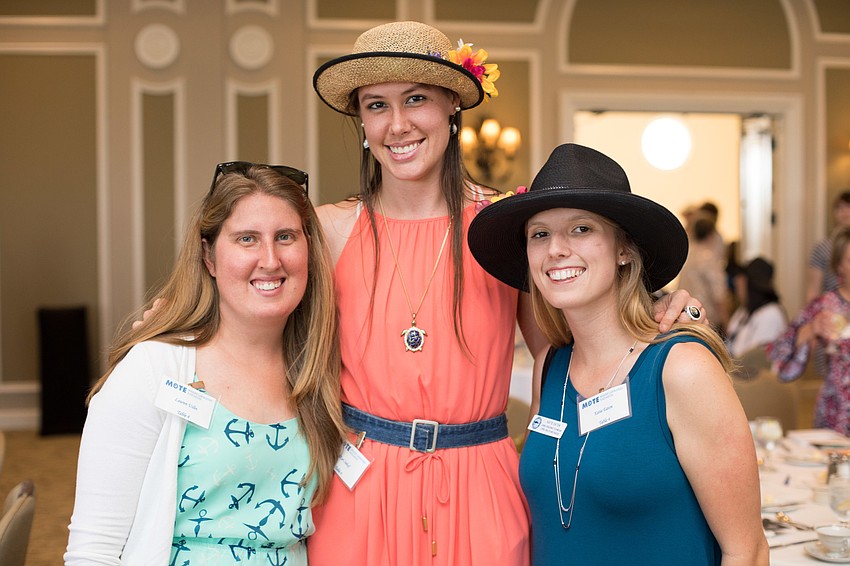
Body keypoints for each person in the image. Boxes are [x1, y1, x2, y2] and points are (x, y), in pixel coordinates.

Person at [307, 20, 706, 566]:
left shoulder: (503, 228)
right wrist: (176, 325)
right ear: (360, 120)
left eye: (416, 99)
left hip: (481, 486)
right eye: (376, 105)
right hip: (360, 491)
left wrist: (654, 309)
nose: (396, 125)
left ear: (452, 104)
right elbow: (256, 325)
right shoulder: (329, 230)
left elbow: (560, 348)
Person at [468, 143, 768, 565]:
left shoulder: (681, 368)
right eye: (540, 234)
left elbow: (747, 551)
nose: (555, 249)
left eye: (581, 229)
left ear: (623, 249)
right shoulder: (548, 368)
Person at [64, 163, 347, 565]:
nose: (270, 259)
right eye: (246, 239)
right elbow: (93, 550)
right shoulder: (154, 369)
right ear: (209, 257)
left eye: (285, 237)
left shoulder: (319, 371)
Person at [769, 226, 850, 435]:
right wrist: (811, 329)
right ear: (838, 265)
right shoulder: (826, 305)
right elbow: (780, 355)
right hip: (838, 412)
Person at [725, 257, 787, 358]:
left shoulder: (770, 314)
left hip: (751, 372)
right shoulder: (743, 311)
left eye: (741, 280)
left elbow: (754, 359)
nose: (737, 284)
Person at [677, 210, 729, 331]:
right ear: (712, 234)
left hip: (685, 315)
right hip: (705, 320)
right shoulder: (710, 259)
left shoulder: (688, 254)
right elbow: (719, 296)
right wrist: (727, 324)